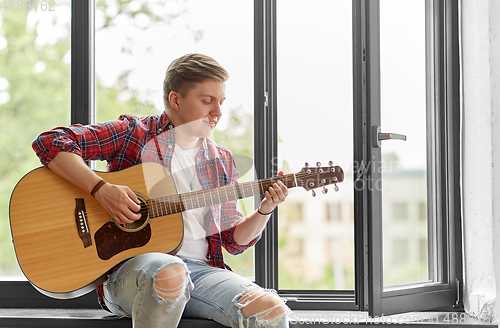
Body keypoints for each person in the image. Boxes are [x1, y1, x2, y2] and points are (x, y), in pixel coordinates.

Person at [32, 53, 290, 328]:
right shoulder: (135, 133)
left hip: (202, 274)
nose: (217, 113)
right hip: (132, 273)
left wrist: (265, 209)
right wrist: (101, 190)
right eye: (207, 101)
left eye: (221, 102)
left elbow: (232, 241)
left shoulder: (221, 160)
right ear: (175, 99)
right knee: (170, 272)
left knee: (271, 311)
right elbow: (51, 142)